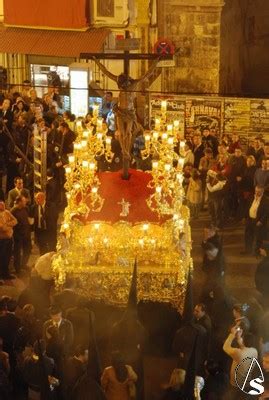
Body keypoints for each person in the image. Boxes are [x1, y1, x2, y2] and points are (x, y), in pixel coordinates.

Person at [223, 327, 257, 400]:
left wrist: (232, 334)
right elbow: (245, 347)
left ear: (244, 341)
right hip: (247, 382)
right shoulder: (254, 351)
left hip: (235, 384)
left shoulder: (238, 353)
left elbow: (225, 347)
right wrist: (238, 337)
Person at [242, 186, 268, 255]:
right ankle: (248, 250)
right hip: (250, 219)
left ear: (262, 191)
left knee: (258, 237)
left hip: (258, 221)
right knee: (248, 235)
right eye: (256, 191)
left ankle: (257, 252)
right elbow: (247, 207)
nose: (257, 193)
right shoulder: (251, 197)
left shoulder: (266, 200)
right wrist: (245, 217)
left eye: (259, 191)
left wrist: (261, 221)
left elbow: (266, 212)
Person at [11, 195, 32, 274]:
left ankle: (24, 264)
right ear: (19, 202)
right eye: (24, 201)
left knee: (28, 249)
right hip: (18, 235)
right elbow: (12, 223)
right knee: (17, 252)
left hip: (27, 234)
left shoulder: (26, 208)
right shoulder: (13, 211)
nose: (25, 202)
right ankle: (17, 268)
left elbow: (28, 219)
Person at [0, 201, 17, 279]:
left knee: (8, 257)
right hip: (2, 240)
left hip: (9, 238)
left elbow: (15, 221)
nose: (3, 207)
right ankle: (1, 275)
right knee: (2, 257)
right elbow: (2, 228)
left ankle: (6, 274)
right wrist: (9, 227)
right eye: (1, 205)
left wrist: (7, 224)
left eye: (3, 205)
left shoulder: (7, 212)